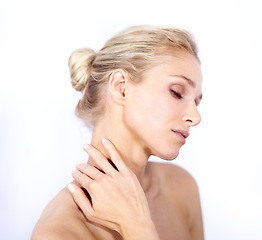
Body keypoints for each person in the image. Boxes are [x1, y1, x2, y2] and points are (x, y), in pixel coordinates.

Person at [31, 25, 204, 240]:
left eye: (196, 102)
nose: (195, 117)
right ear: (121, 87)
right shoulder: (60, 231)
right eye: (177, 93)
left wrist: (140, 227)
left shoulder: (180, 188)